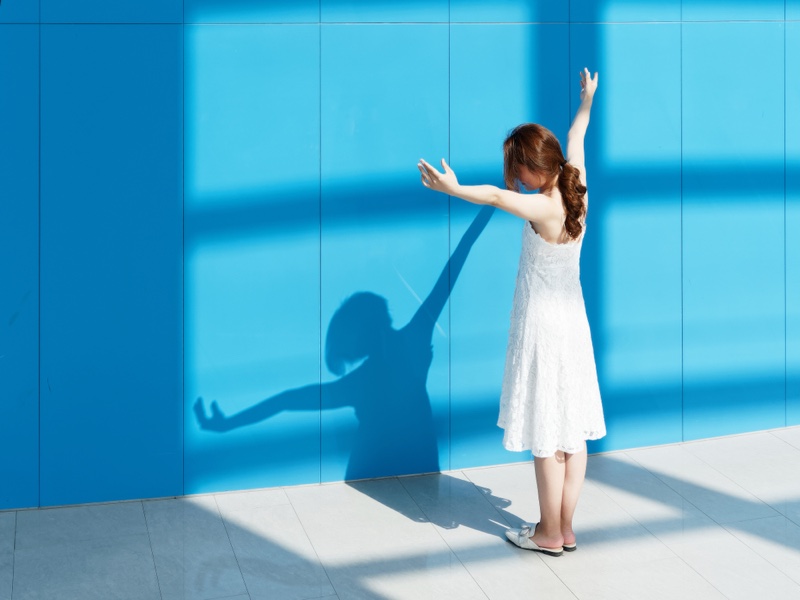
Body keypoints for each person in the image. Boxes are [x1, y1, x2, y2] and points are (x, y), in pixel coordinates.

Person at [417, 68, 606, 557]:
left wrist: (452, 190)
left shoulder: (544, 206)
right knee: (573, 431)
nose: (515, 179)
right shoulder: (576, 181)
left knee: (548, 432)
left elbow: (499, 197)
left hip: (544, 326)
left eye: (518, 170)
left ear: (532, 168)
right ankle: (563, 528)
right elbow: (577, 133)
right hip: (574, 323)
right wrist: (587, 99)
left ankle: (547, 535)